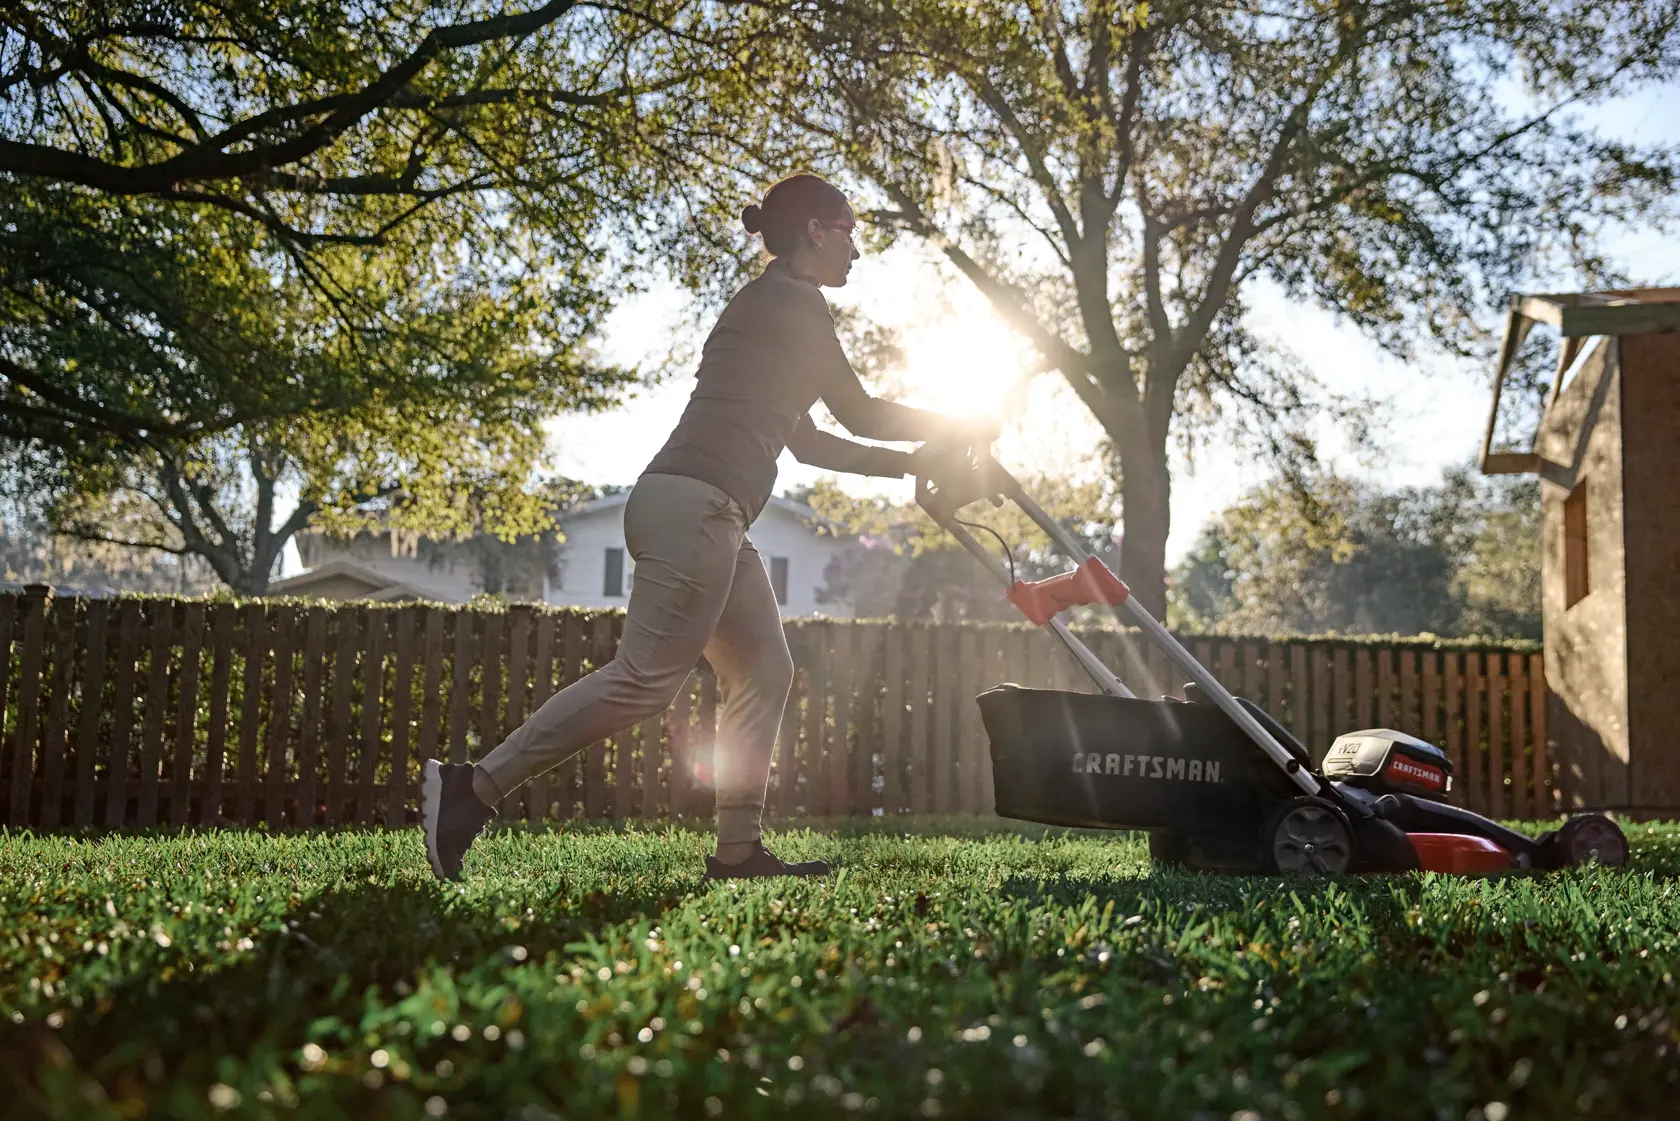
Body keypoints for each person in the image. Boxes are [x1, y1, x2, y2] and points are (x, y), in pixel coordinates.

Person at [421, 173, 997, 882]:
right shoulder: (792, 300)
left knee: (763, 669)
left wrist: (912, 465)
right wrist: (957, 423)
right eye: (850, 230)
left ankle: (737, 850)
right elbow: (863, 412)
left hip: (706, 511)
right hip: (697, 506)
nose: (857, 249)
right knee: (646, 679)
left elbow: (813, 443)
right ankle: (472, 789)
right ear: (815, 231)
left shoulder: (772, 308)